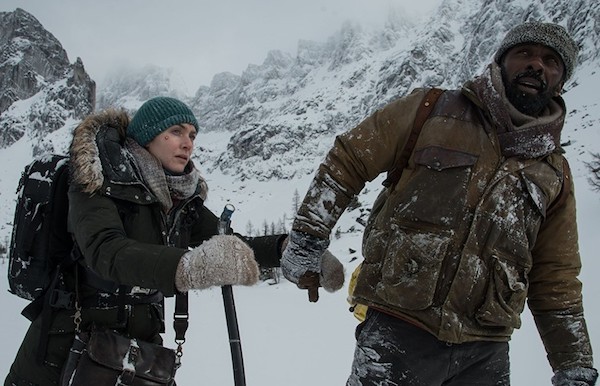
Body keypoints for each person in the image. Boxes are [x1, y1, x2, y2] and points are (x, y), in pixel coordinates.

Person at [281, 21, 597, 385]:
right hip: (399, 329)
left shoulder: (555, 174)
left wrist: (573, 362)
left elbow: (555, 276)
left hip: (486, 351)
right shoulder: (431, 109)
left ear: (560, 82)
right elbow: (350, 158)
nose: (536, 65)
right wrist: (307, 236)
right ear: (500, 61)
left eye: (550, 61)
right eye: (523, 53)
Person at [4, 96, 289, 385]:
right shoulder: (96, 177)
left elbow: (233, 245)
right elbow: (106, 251)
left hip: (139, 354)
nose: (188, 143)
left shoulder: (181, 198)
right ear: (148, 135)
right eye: (176, 131)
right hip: (65, 349)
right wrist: (189, 267)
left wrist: (286, 250)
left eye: (192, 134)